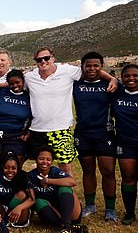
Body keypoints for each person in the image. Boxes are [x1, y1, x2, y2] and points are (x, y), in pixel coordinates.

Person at [25, 46, 117, 176]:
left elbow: (92, 70)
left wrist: (111, 79)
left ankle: (68, 195)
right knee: (41, 167)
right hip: (38, 129)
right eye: (39, 59)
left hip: (61, 129)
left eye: (46, 58)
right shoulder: (30, 77)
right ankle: (45, 194)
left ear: (53, 58)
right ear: (35, 61)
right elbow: (15, 83)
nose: (43, 61)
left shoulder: (67, 71)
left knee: (65, 168)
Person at [73, 52, 117, 221]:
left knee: (108, 171)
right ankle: (90, 205)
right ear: (82, 67)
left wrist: (112, 79)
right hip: (83, 134)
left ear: (102, 66)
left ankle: (110, 209)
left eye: (96, 65)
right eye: (88, 66)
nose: (92, 69)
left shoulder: (111, 84)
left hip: (104, 133)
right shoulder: (75, 83)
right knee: (88, 171)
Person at [27, 146, 87, 233]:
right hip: (52, 212)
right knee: (38, 201)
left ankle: (66, 225)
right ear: (36, 159)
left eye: (48, 159)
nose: (44, 162)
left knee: (65, 188)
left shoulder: (55, 171)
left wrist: (48, 181)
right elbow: (31, 197)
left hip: (69, 211)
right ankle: (69, 227)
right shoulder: (31, 175)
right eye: (41, 159)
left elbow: (72, 182)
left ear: (52, 161)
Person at [0, 69, 32, 172]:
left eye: (17, 82)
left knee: (12, 169)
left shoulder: (29, 96)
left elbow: (34, 116)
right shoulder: (0, 93)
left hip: (16, 137)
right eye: (11, 83)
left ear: (23, 81)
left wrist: (28, 132)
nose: (14, 85)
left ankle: (13, 188)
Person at [111, 64, 138, 225]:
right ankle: (129, 213)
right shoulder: (117, 93)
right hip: (125, 142)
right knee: (128, 177)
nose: (131, 78)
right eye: (127, 76)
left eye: (135, 75)